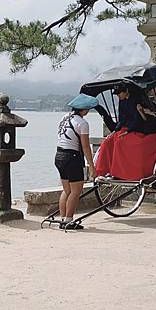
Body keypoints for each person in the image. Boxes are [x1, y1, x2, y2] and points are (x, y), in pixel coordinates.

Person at [95, 84, 156, 180]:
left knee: (120, 142)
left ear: (126, 91)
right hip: (125, 127)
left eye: (120, 93)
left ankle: (119, 172)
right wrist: (115, 130)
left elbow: (138, 119)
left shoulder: (137, 99)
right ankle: (104, 171)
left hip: (139, 128)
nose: (118, 96)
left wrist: (129, 130)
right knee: (107, 142)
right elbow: (122, 119)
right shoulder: (122, 101)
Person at [54, 93, 98, 230]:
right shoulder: (82, 123)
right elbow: (85, 146)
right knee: (75, 191)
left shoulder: (65, 118)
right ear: (84, 110)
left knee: (66, 190)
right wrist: (92, 166)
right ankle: (69, 220)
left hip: (59, 156)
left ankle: (62, 219)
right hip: (72, 157)